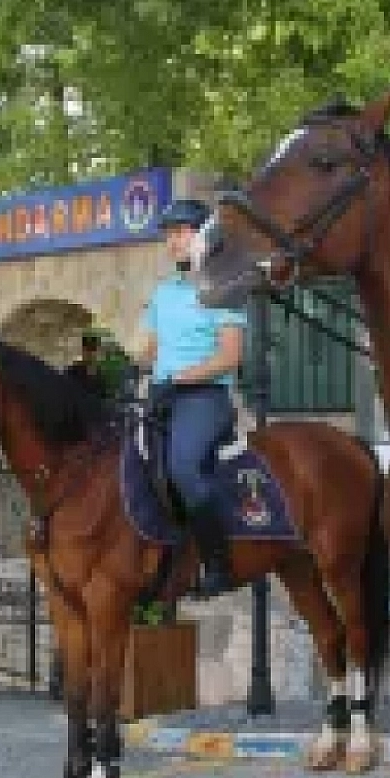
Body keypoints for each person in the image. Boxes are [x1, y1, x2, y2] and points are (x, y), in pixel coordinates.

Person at [137, 197, 246, 599]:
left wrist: (182, 377)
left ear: (205, 235)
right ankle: (164, 557)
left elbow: (231, 356)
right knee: (135, 470)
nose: (173, 241)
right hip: (163, 395)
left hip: (203, 397)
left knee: (183, 468)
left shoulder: (223, 288)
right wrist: (132, 370)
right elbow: (153, 349)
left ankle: (219, 564)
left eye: (181, 232)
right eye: (169, 234)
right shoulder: (164, 292)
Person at [64, 331, 112, 399]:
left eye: (93, 349)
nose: (90, 353)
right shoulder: (71, 372)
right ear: (82, 350)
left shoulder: (101, 376)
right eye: (87, 349)